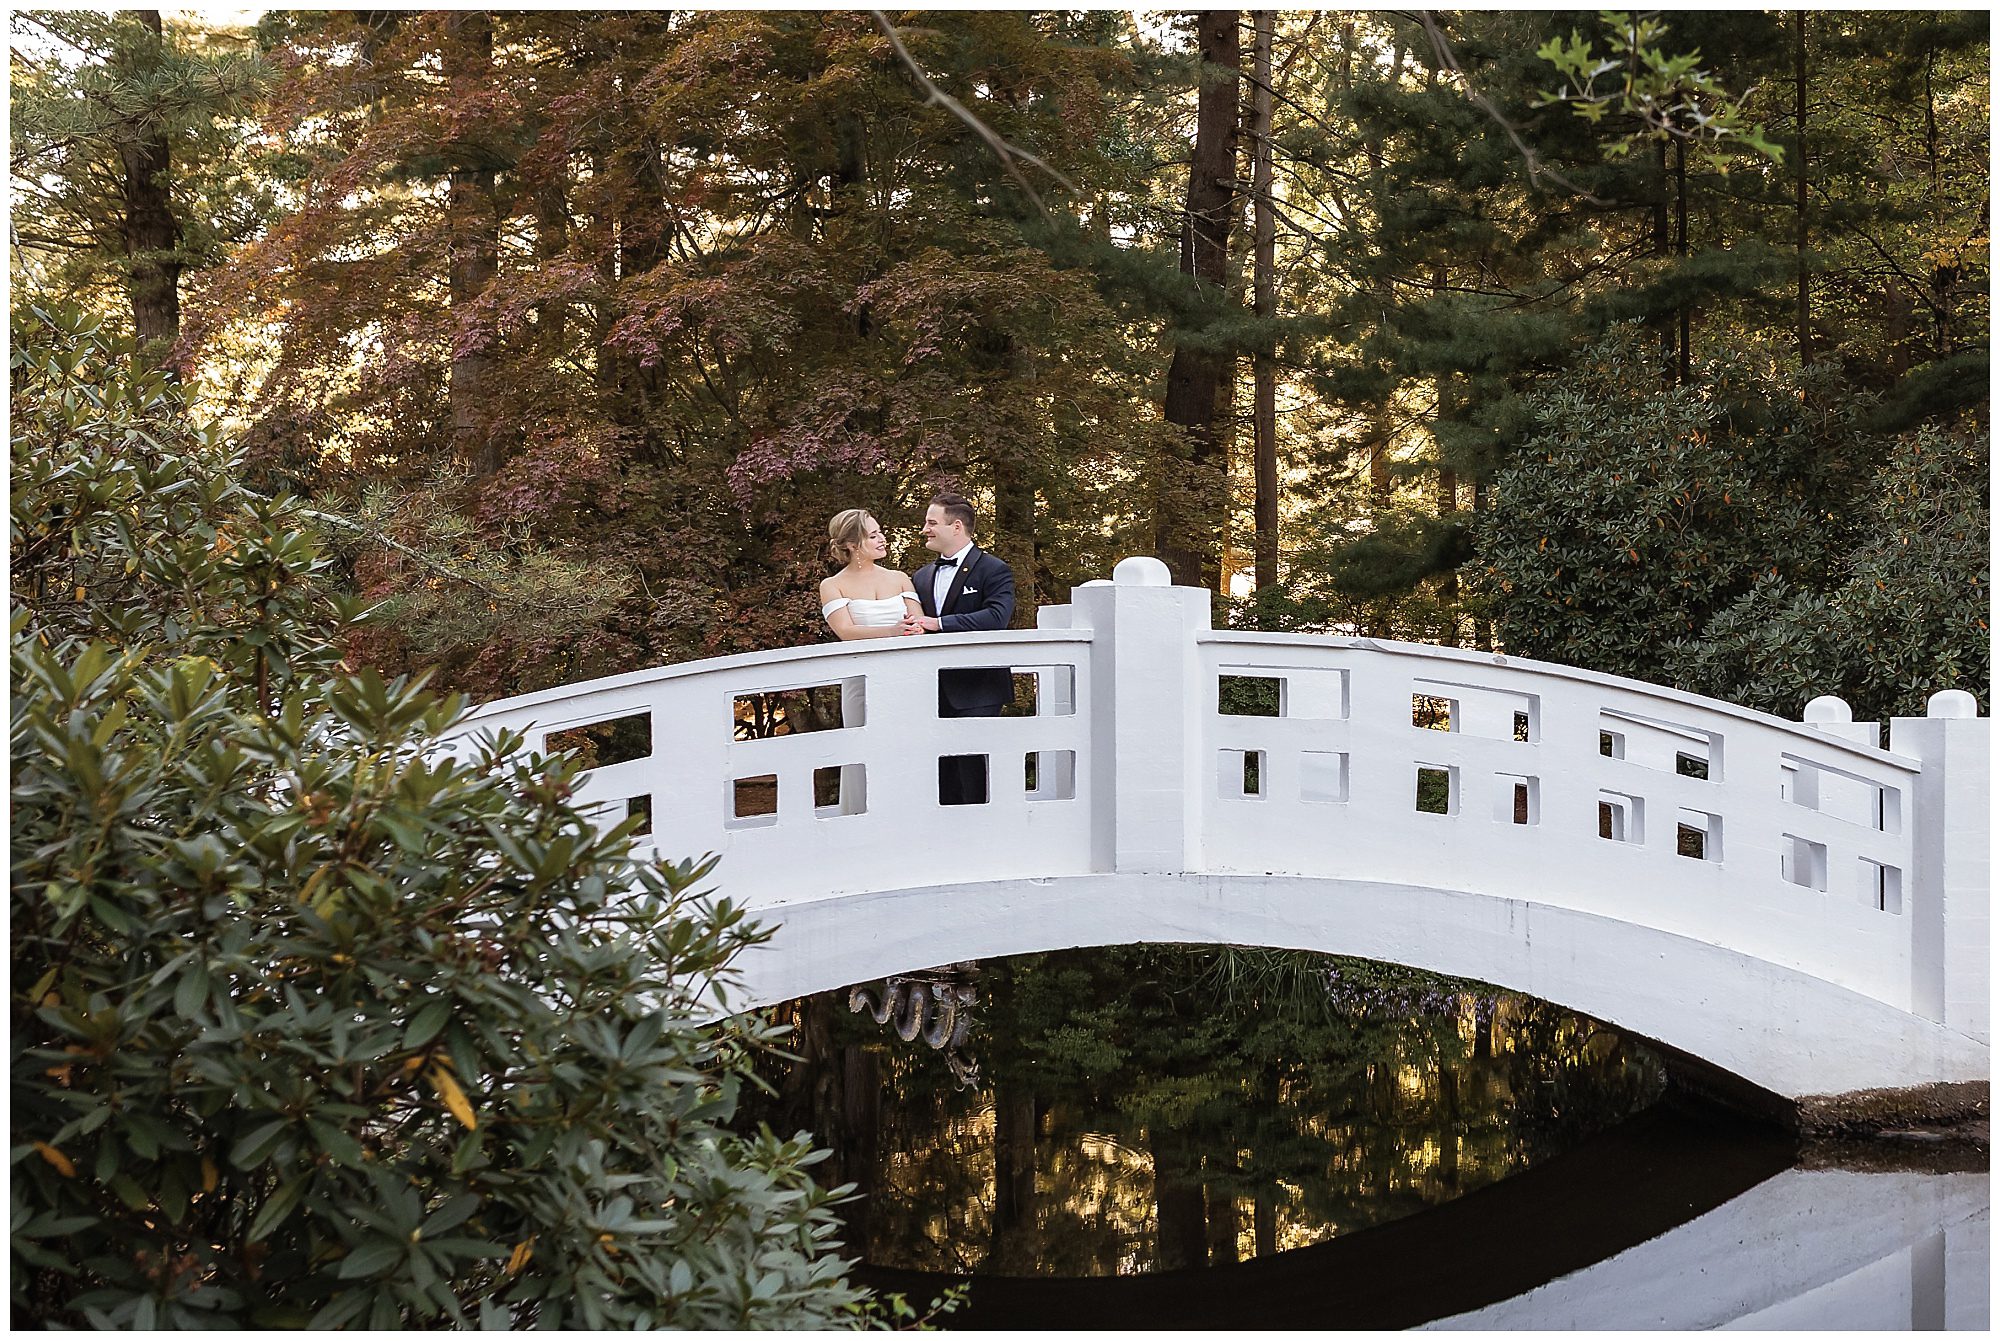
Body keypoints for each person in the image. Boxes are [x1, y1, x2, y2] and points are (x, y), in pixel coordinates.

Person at [903, 492, 1017, 804]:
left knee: (974, 773)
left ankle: (984, 844)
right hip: (931, 690)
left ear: (956, 527)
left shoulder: (993, 569)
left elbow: (996, 617)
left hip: (977, 687)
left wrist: (937, 623)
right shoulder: (921, 576)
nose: (924, 529)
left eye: (931, 522)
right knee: (939, 777)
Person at [819, 509, 921, 640]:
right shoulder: (832, 585)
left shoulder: (900, 578)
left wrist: (915, 627)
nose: (882, 539)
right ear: (853, 546)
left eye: (880, 532)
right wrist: (892, 631)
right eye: (873, 536)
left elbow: (919, 621)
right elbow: (845, 632)